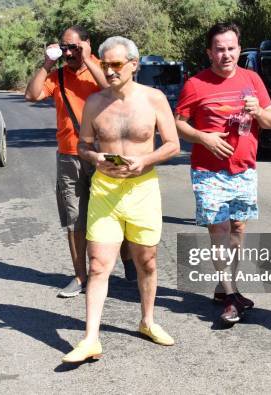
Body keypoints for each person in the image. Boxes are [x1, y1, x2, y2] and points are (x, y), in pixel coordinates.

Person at [62, 36, 180, 363]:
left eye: (117, 65)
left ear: (133, 65)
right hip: (105, 190)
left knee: (147, 262)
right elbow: (83, 146)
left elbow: (173, 145)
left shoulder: (154, 99)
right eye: (105, 65)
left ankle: (147, 321)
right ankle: (90, 339)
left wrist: (145, 161)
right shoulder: (95, 103)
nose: (111, 71)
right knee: (99, 265)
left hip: (142, 188)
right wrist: (95, 158)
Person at [175, 22, 271, 325]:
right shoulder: (196, 84)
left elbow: (270, 121)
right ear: (209, 52)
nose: (226, 54)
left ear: (238, 49)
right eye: (219, 49)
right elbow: (178, 122)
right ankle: (231, 297)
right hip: (209, 172)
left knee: (238, 231)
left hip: (244, 169)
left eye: (231, 48)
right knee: (218, 232)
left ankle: (225, 287)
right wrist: (203, 137)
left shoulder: (253, 79)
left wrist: (258, 111)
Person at [25, 26, 136, 298]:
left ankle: (129, 262)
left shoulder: (104, 67)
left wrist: (87, 58)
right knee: (75, 218)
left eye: (74, 47)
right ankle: (80, 276)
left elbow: (111, 87)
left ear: (87, 44)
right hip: (70, 156)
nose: (69, 53)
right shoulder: (58, 75)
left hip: (104, 153)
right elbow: (31, 94)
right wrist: (47, 64)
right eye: (65, 47)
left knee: (117, 212)